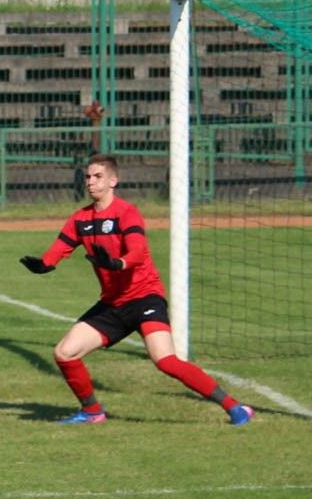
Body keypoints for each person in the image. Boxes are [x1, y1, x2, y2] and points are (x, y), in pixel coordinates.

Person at [19, 153, 254, 426]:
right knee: (64, 352)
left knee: (165, 360)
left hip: (145, 298)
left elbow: (138, 252)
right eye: (88, 176)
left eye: (98, 177)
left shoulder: (127, 213)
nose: (91, 182)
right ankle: (93, 412)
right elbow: (60, 248)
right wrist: (45, 264)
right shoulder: (80, 218)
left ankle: (235, 407)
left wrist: (118, 263)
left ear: (113, 181)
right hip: (113, 304)